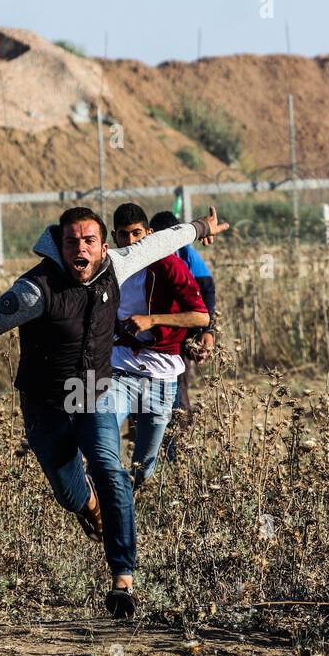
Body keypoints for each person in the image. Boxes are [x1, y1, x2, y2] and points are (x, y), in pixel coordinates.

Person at [0, 205, 228, 619]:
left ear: (103, 245)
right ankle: (90, 507)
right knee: (69, 491)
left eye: (89, 240)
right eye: (72, 241)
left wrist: (201, 228)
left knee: (111, 470)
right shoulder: (35, 290)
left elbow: (164, 240)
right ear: (59, 246)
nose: (82, 248)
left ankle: (123, 580)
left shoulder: (118, 264)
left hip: (91, 389)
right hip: (43, 399)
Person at [108, 202, 209, 489]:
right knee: (103, 438)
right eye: (124, 236)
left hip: (161, 374)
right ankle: (106, 499)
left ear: (150, 234)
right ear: (114, 238)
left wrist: (152, 320)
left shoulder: (169, 265)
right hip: (119, 369)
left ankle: (129, 498)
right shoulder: (111, 267)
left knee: (144, 466)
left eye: (137, 234)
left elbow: (200, 315)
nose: (131, 242)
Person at [149, 210, 218, 419]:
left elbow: (207, 291)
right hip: (152, 330)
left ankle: (178, 432)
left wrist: (207, 331)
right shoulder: (146, 255)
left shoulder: (187, 255)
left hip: (182, 326)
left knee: (177, 384)